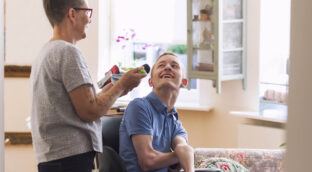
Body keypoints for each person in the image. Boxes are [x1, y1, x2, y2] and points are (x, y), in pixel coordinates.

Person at [30, 0, 146, 171]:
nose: (90, 19)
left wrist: (113, 90)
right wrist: (121, 84)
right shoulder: (68, 52)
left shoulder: (46, 52)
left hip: (54, 156)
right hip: (70, 158)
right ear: (72, 14)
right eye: (87, 12)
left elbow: (80, 104)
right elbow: (90, 111)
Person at [119, 52, 195, 172]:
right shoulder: (138, 106)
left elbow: (182, 146)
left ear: (183, 83)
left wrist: (184, 154)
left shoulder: (175, 121)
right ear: (151, 82)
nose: (168, 67)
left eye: (174, 66)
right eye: (161, 65)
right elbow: (147, 162)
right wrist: (181, 156)